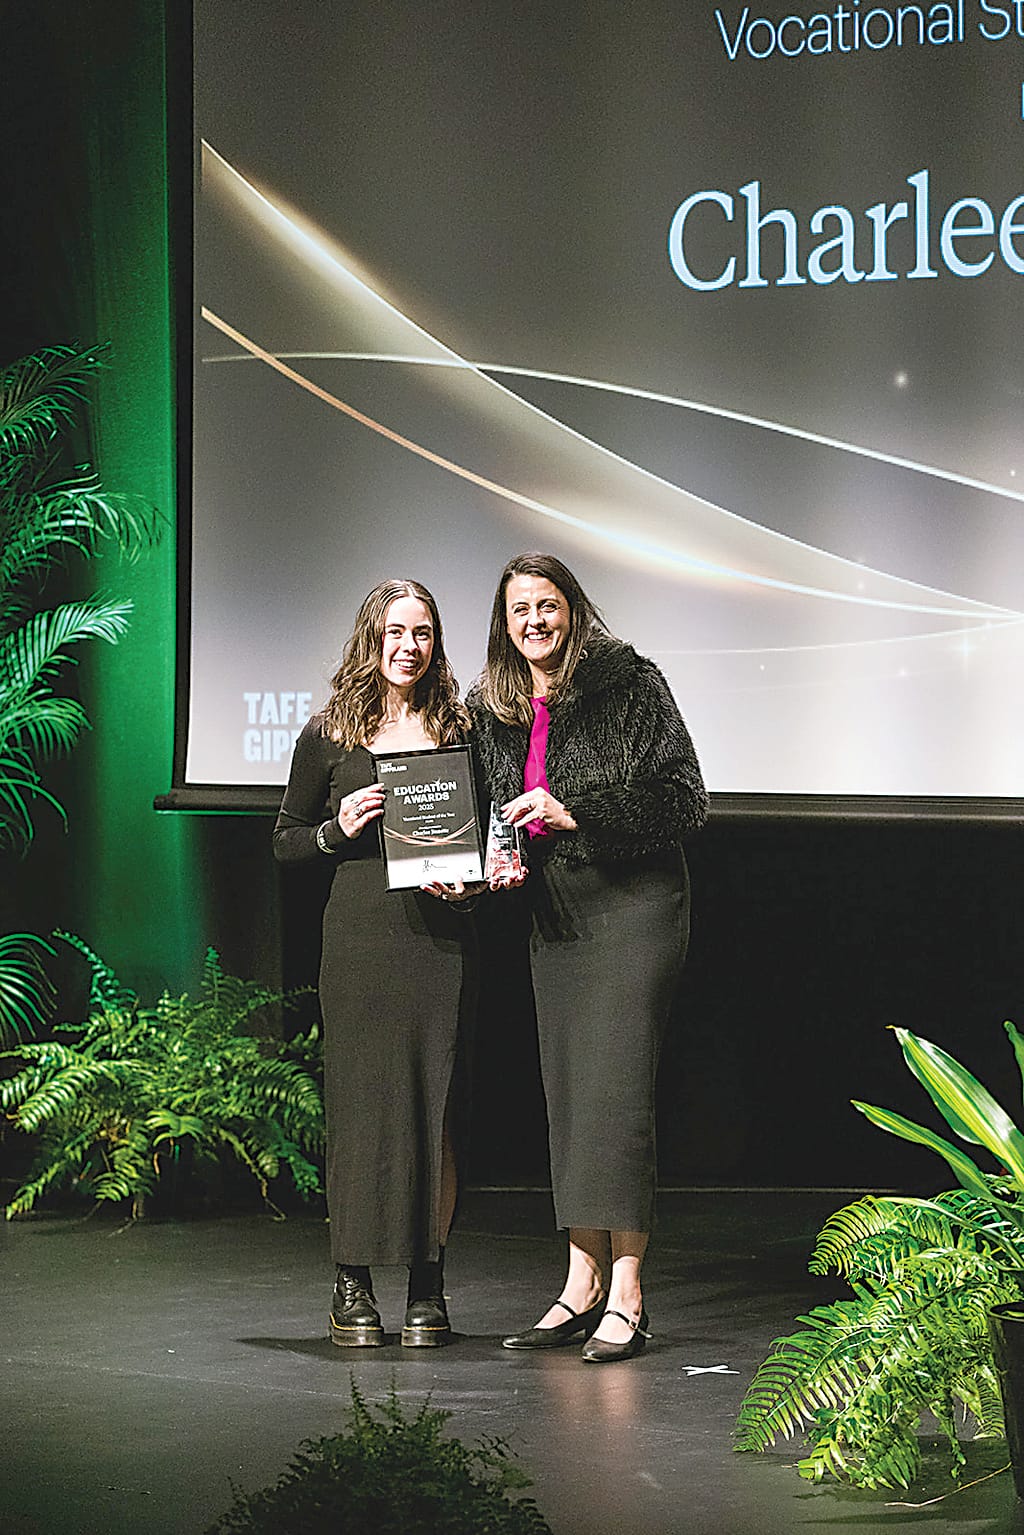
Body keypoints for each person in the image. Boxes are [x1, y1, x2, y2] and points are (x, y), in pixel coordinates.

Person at [468, 552, 708, 1363]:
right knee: (571, 1092)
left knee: (617, 1089)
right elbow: (488, 813)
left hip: (635, 904)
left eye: (547, 605)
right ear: (503, 623)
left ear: (572, 609)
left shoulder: (629, 682)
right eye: (519, 610)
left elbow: (684, 796)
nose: (534, 621)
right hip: (557, 911)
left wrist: (576, 811)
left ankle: (631, 1293)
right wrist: (497, 857)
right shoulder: (492, 705)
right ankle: (580, 1282)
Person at [273, 578, 478, 1348]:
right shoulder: (331, 732)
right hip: (359, 939)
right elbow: (286, 840)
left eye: (422, 631)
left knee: (437, 1112)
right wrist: (337, 827)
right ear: (372, 636)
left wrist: (472, 886)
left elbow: (487, 839)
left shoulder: (459, 727)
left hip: (440, 942)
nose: (409, 646)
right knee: (359, 1113)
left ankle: (429, 1283)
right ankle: (351, 1282)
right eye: (395, 631)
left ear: (436, 641)